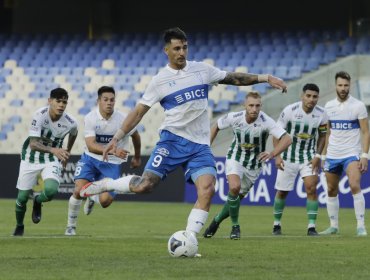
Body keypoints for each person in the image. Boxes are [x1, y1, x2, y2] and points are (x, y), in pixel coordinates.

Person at [79, 27, 287, 247]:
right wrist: (117, 137)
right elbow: (139, 112)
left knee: (207, 188)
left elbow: (234, 78)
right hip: (171, 141)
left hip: (199, 145)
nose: (181, 52)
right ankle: (106, 184)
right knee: (144, 186)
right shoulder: (159, 80)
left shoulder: (202, 70)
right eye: (176, 48)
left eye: (184, 47)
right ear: (166, 50)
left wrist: (265, 78)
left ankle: (188, 240)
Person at [203, 91, 292, 240]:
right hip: (235, 157)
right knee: (234, 187)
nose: (254, 109)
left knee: (236, 198)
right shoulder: (234, 117)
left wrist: (272, 153)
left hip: (254, 165)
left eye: (257, 106)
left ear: (261, 106)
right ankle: (235, 227)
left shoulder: (267, 121)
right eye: (251, 105)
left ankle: (216, 221)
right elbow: (216, 126)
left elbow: (287, 139)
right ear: (245, 105)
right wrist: (206, 149)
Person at [65, 86, 141, 236]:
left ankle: (93, 197)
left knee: (105, 202)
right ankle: (70, 226)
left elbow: (136, 136)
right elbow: (91, 145)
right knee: (79, 191)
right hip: (90, 159)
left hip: (112, 163)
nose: (109, 103)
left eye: (112, 100)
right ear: (98, 101)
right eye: (105, 100)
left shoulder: (123, 119)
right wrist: (113, 150)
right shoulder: (90, 118)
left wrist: (137, 156)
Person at [12, 88, 78, 236]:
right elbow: (33, 144)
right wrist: (55, 150)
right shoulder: (40, 115)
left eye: (64, 102)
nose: (61, 105)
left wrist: (67, 152)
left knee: (51, 191)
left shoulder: (71, 122)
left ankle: (37, 200)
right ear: (50, 101)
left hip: (51, 159)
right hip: (30, 157)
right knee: (22, 198)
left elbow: (74, 133)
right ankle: (19, 225)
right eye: (58, 101)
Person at [271, 83, 328, 236]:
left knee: (311, 187)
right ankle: (276, 224)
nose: (311, 99)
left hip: (308, 158)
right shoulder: (289, 111)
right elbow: (276, 133)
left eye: (315, 96)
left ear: (318, 98)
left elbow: (323, 136)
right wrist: (277, 156)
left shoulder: (322, 114)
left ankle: (311, 227)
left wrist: (318, 156)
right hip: (287, 157)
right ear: (302, 96)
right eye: (308, 96)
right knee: (282, 192)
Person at [320, 71, 369, 236]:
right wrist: (323, 155)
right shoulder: (328, 106)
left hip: (351, 154)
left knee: (355, 185)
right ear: (335, 86)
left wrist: (364, 155)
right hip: (333, 154)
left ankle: (361, 226)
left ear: (350, 86)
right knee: (331, 189)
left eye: (346, 85)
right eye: (340, 85)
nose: (343, 88)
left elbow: (365, 132)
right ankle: (333, 226)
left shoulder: (358, 106)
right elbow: (327, 133)